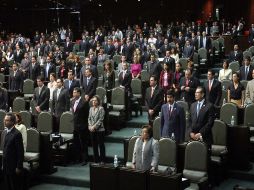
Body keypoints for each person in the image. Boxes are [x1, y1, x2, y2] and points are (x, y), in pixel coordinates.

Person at [2, 113, 24, 190]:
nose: (4, 122)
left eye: (7, 120)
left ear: (12, 122)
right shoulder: (4, 132)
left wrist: (19, 167)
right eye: (4, 120)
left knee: (14, 186)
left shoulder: (17, 134)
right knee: (6, 185)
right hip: (5, 164)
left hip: (13, 165)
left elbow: (20, 152)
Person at [71, 87, 90, 165]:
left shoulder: (84, 102)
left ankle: (85, 159)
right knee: (76, 143)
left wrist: (85, 125)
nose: (74, 94)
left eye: (75, 92)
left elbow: (87, 114)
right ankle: (78, 158)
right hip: (75, 125)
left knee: (83, 143)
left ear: (79, 93)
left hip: (82, 126)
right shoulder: (72, 101)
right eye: (73, 92)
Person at [88, 95, 106, 163]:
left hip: (99, 130)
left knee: (101, 145)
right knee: (94, 146)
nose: (93, 101)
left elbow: (100, 120)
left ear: (98, 101)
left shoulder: (101, 109)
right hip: (92, 130)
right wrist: (90, 126)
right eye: (93, 100)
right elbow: (89, 118)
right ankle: (96, 160)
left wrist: (94, 127)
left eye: (95, 100)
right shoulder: (91, 109)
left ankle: (102, 160)